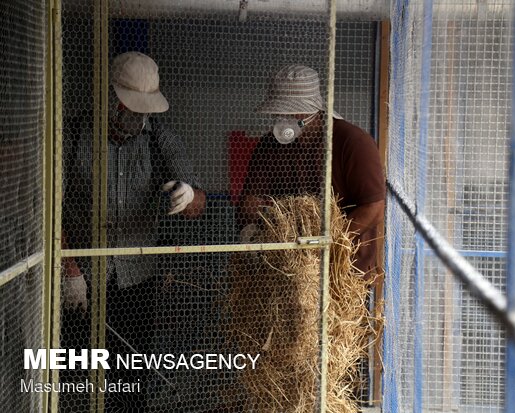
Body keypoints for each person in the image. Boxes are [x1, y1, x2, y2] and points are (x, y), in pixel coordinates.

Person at [61, 51, 206, 410]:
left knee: (131, 373)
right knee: (80, 373)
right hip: (82, 281)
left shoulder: (158, 140)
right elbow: (51, 209)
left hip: (137, 278)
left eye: (145, 110)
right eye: (131, 108)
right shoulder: (73, 135)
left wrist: (188, 196)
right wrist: (70, 271)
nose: (139, 117)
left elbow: (199, 205)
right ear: (110, 98)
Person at [240, 64, 385, 280]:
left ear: (312, 111)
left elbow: (374, 207)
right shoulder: (269, 145)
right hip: (286, 266)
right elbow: (251, 198)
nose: (281, 118)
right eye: (278, 112)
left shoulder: (352, 142)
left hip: (344, 269)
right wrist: (251, 228)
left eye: (288, 112)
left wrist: (327, 243)